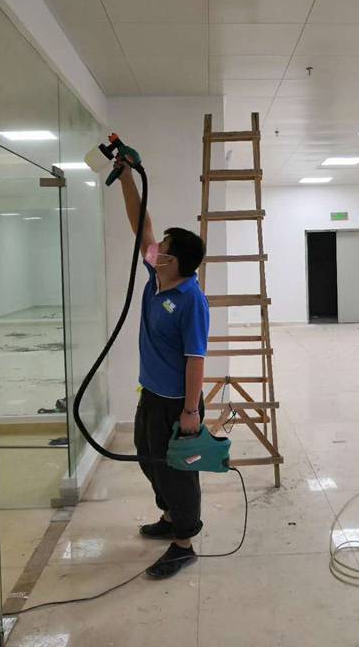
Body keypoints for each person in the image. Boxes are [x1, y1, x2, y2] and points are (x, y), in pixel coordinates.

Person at [117, 155, 209, 579]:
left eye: (163, 250)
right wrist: (127, 178)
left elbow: (195, 360)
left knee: (178, 473)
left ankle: (184, 543)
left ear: (175, 262)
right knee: (149, 459)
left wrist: (191, 412)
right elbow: (144, 228)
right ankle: (171, 516)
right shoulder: (158, 277)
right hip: (151, 393)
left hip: (177, 403)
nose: (155, 250)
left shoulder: (191, 300)